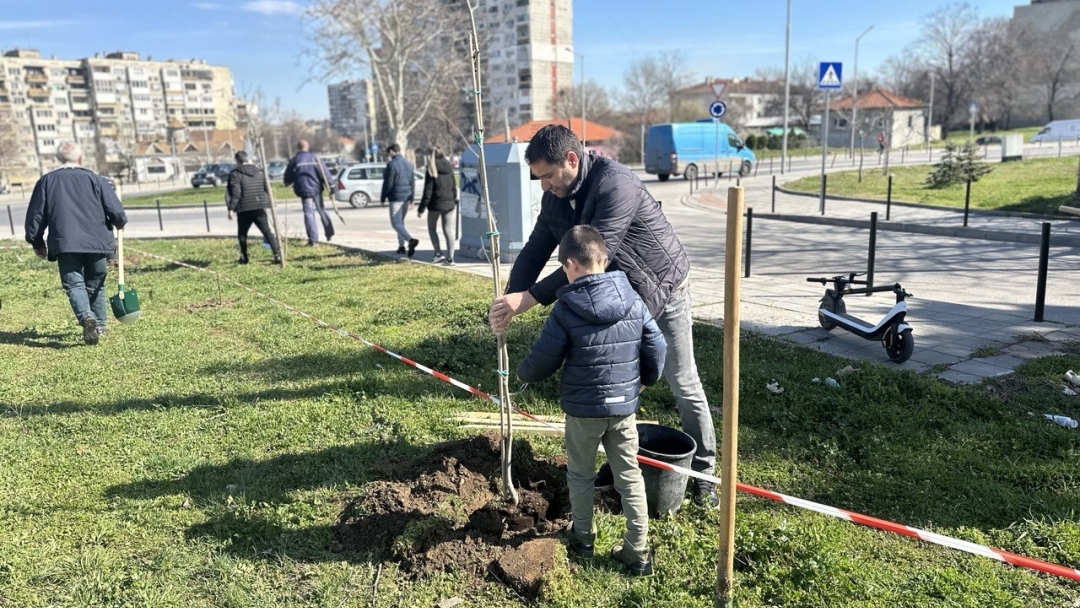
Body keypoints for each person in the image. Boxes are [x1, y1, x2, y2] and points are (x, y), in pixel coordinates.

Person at [488, 124, 720, 508]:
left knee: (682, 380)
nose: (543, 185)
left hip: (662, 285)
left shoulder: (615, 185)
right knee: (620, 379)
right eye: (538, 178)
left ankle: (705, 472)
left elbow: (593, 262)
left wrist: (528, 299)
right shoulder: (556, 197)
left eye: (547, 175)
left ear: (572, 160)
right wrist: (510, 296)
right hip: (616, 293)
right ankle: (619, 463)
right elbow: (535, 247)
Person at [517, 225, 666, 577]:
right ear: (603, 258)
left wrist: (520, 374)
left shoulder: (566, 307)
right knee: (629, 476)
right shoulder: (632, 297)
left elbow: (542, 361)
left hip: (584, 412)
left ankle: (583, 539)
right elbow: (657, 345)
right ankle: (638, 551)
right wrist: (646, 379)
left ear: (571, 264)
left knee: (581, 475)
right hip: (624, 408)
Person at [24, 141, 127, 345]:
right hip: (97, 241)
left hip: (66, 242)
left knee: (74, 284)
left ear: (59, 159)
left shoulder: (47, 181)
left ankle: (86, 317)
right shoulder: (95, 179)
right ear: (80, 158)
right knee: (96, 281)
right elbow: (116, 211)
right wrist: (120, 222)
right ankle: (99, 325)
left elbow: (36, 216)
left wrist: (36, 242)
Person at [226, 150, 281, 265]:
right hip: (259, 207)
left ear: (237, 161)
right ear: (247, 159)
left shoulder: (235, 174)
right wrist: (271, 203)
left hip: (244, 208)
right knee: (267, 232)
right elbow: (267, 189)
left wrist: (231, 209)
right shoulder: (260, 172)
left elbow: (236, 193)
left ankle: (244, 257)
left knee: (242, 235)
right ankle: (277, 254)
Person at [283, 139, 334, 246]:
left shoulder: (295, 160)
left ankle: (313, 239)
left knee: (308, 213)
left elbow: (288, 176)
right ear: (308, 146)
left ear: (298, 147)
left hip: (304, 190)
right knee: (322, 210)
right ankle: (329, 233)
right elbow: (325, 173)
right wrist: (331, 187)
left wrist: (287, 183)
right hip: (316, 189)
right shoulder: (315, 158)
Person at [417, 146, 458, 266]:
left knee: (432, 228)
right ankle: (450, 258)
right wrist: (454, 199)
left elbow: (427, 191)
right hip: (449, 203)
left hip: (436, 205)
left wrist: (421, 209)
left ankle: (438, 253)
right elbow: (453, 186)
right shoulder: (449, 167)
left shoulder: (431, 169)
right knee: (447, 230)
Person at [381, 143, 418, 258]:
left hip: (396, 197)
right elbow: (412, 182)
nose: (388, 156)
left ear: (392, 151)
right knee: (400, 222)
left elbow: (388, 183)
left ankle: (410, 240)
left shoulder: (392, 164)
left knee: (395, 223)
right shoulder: (408, 164)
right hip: (406, 197)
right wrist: (412, 199)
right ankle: (401, 246)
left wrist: (383, 197)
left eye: (388, 153)